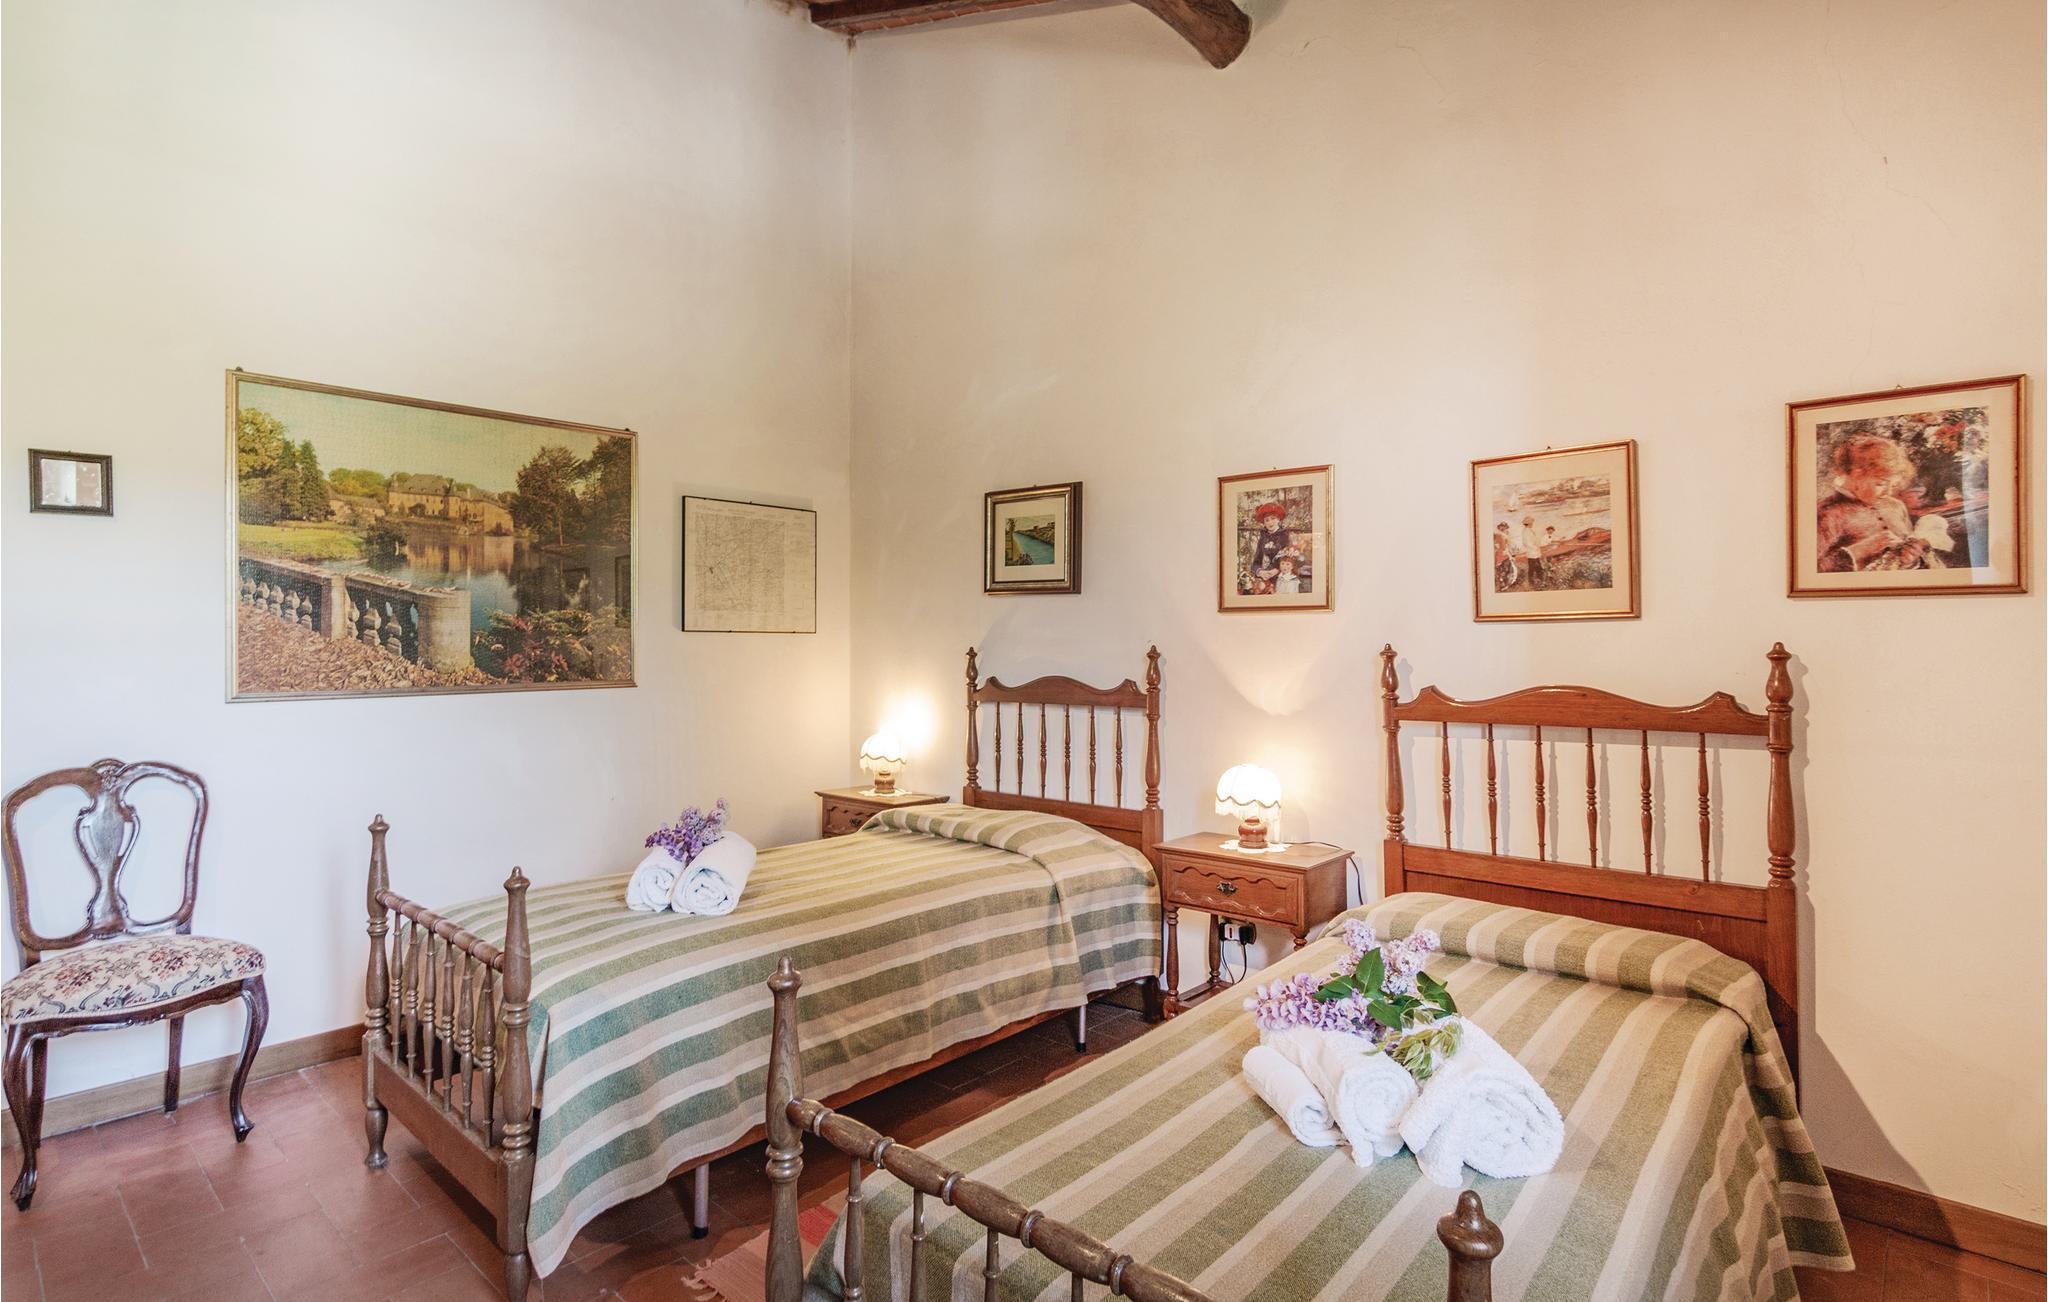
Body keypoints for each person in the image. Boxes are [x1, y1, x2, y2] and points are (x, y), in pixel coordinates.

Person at [1816, 434, 1929, 571]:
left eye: (1893, 485)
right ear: (1857, 475)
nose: (1888, 493)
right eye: (1881, 484)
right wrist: (1858, 551)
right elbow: (1810, 570)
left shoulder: (1895, 506)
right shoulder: (1827, 513)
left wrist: (1910, 560)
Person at [1248, 500, 1293, 590]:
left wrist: (1276, 570)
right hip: (1265, 578)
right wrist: (1260, 572)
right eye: (1267, 520)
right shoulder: (1263, 538)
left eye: (1273, 518)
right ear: (1264, 523)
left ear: (1278, 519)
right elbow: (1256, 562)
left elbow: (1290, 560)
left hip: (1282, 576)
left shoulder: (1285, 536)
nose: (1270, 522)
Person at [1516, 515, 1546, 587]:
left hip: (1534, 552)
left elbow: (1534, 541)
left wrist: (1537, 547)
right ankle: (1533, 582)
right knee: (1533, 568)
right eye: (1531, 522)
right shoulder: (1526, 532)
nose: (1532, 523)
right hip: (1532, 552)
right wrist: (1535, 548)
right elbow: (1527, 543)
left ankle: (1540, 580)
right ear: (1529, 523)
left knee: (1537, 567)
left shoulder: (1529, 530)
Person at [1492, 522, 1517, 589]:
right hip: (1501, 555)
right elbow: (1502, 546)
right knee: (1503, 570)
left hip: (1503, 555)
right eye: (1503, 527)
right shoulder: (1500, 535)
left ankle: (1505, 583)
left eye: (1505, 527)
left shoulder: (1501, 535)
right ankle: (1504, 584)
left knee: (1504, 570)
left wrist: (1510, 554)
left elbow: (1506, 546)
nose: (1505, 529)